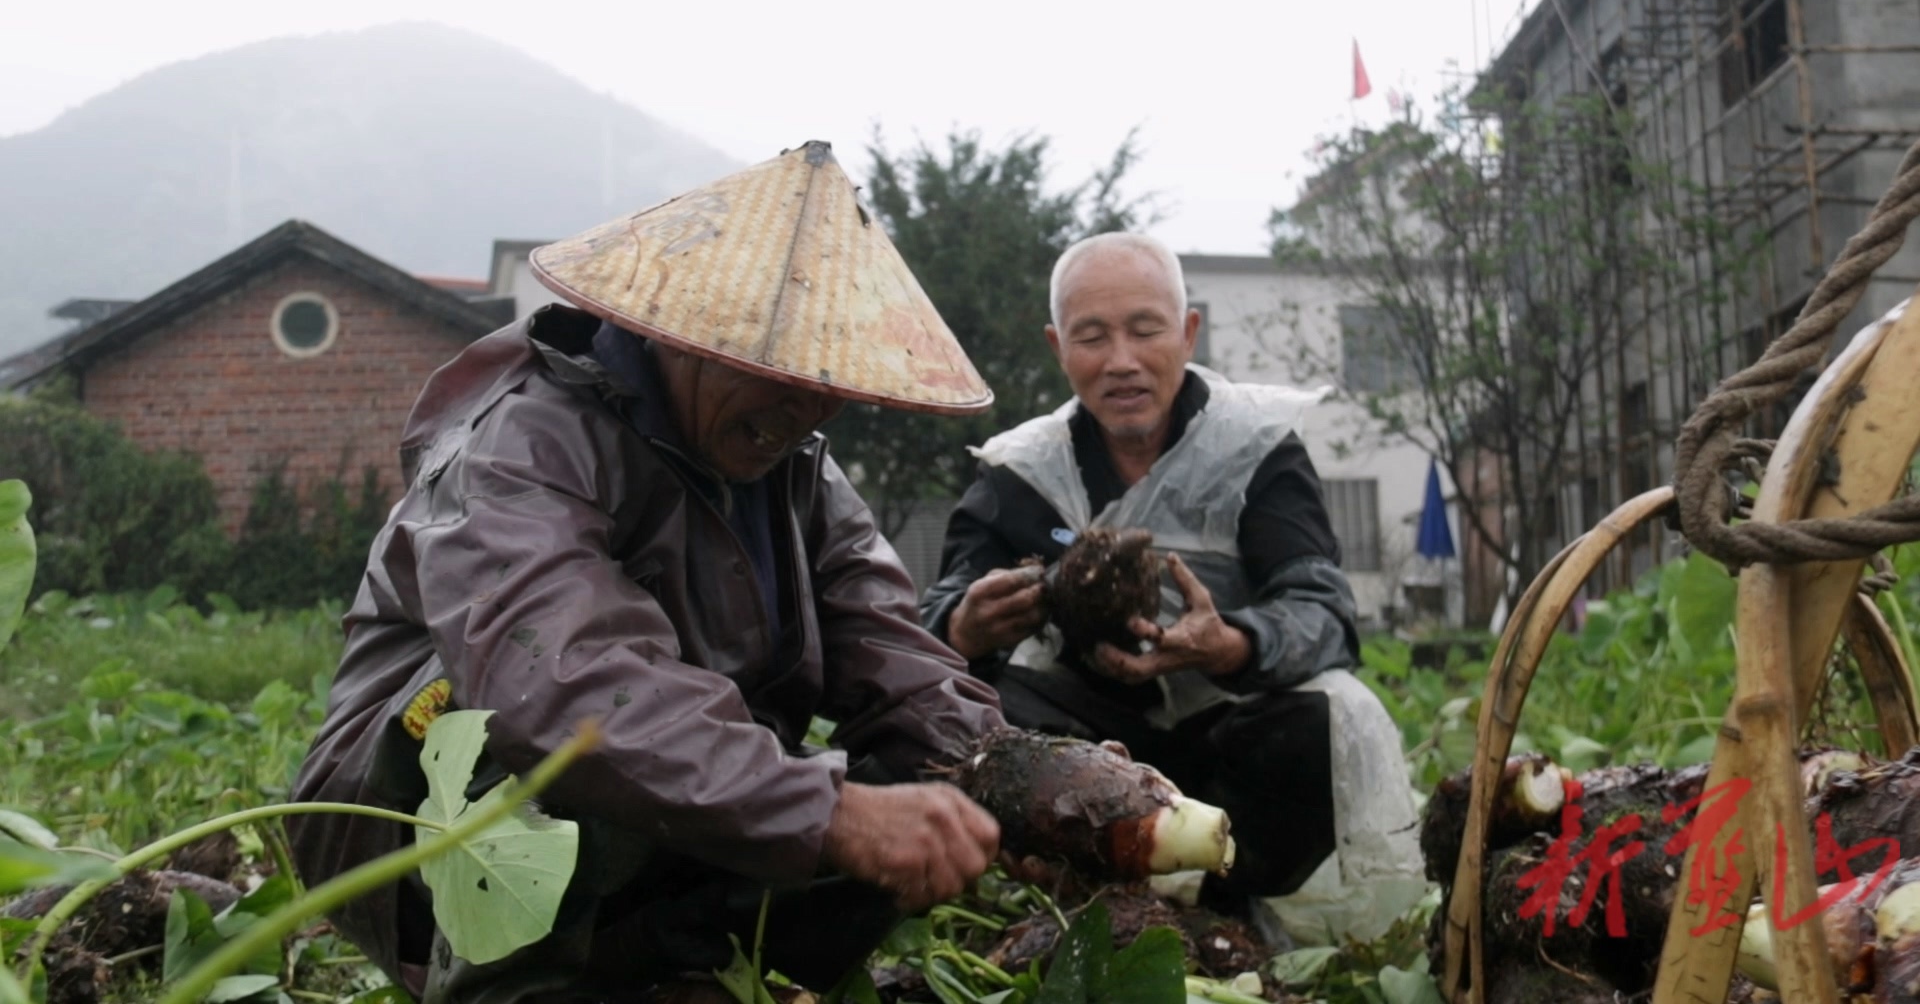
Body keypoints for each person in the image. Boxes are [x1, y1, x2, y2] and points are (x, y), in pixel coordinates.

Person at [290, 142, 1006, 1003]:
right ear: (689, 332)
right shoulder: (527, 438)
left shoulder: (798, 475)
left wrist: (1000, 767)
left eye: (828, 382)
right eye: (774, 371)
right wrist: (827, 811)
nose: (809, 407)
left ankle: (677, 970)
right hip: (410, 809)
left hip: (650, 809)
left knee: (906, 777)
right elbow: (561, 682)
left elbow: (892, 650)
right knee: (574, 734)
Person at [920, 232, 1423, 942]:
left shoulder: (1255, 447)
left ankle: (1230, 902)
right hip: (1091, 740)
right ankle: (1077, 887)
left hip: (1228, 728)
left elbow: (1325, 615)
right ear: (1058, 346)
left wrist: (1230, 644)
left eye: (1145, 330)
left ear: (1186, 333)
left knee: (1330, 714)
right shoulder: (1020, 472)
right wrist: (964, 628)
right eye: (1092, 336)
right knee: (970, 717)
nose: (1121, 361)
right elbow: (934, 620)